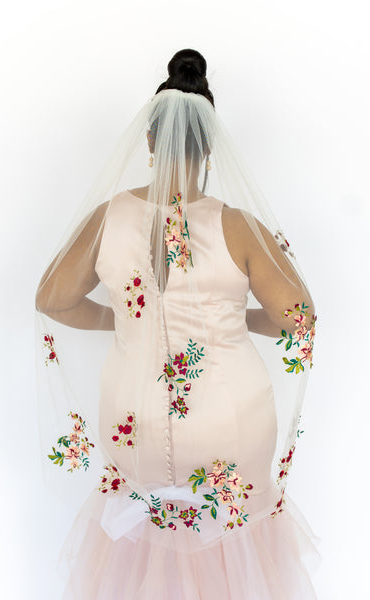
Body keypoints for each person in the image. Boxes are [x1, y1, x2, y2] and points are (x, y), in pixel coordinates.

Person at [35, 49, 321, 599]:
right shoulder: (236, 226)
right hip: (229, 422)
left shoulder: (109, 217)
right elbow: (300, 320)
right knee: (234, 560)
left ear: (149, 141)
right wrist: (234, 321)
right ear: (210, 146)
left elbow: (52, 298)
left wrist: (127, 320)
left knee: (140, 558)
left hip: (132, 417)